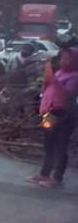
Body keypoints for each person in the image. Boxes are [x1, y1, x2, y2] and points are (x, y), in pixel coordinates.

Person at [27, 47, 78, 188]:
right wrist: (47, 81)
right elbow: (48, 90)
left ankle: (57, 178)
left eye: (67, 59)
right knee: (49, 144)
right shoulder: (60, 72)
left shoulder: (75, 76)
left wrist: (53, 80)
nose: (63, 61)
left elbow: (68, 93)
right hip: (50, 114)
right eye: (62, 58)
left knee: (61, 146)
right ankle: (44, 173)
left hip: (64, 115)